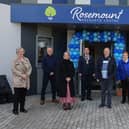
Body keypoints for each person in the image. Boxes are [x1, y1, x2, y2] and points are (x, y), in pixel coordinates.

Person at [12, 48, 32, 115]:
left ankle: (22, 108)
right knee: (16, 96)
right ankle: (15, 109)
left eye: (22, 51)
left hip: (25, 80)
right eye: (20, 51)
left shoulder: (26, 59)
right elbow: (13, 70)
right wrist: (21, 75)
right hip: (18, 80)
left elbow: (30, 68)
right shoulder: (14, 60)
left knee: (23, 96)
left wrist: (27, 74)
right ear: (17, 52)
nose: (21, 52)